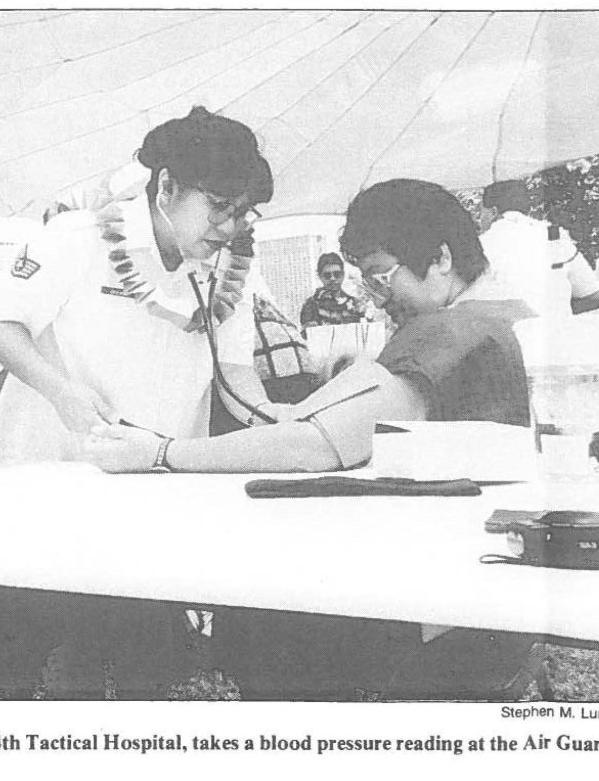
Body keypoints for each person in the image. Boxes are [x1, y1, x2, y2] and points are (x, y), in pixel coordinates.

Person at [84, 179, 538, 699]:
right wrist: (297, 413)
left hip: (437, 613)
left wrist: (163, 452)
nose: (377, 299)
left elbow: (318, 444)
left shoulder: (447, 331)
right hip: (478, 606)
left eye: (381, 279)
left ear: (439, 259)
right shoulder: (488, 320)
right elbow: (338, 412)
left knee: (261, 617)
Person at [0, 105, 292, 469]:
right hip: (53, 467)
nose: (228, 228)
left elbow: (234, 370)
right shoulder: (80, 237)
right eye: (219, 206)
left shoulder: (232, 267)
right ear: (168, 187)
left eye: (241, 213)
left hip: (158, 469)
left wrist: (266, 416)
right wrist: (60, 391)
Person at [479, 179, 599, 318]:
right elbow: (594, 297)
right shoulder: (556, 238)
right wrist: (556, 309)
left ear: (493, 212)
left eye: (481, 212)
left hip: (506, 334)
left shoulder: (480, 246)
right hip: (557, 333)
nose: (480, 219)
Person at [299, 252, 368, 329]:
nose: (332, 279)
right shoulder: (311, 305)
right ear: (320, 276)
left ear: (343, 274)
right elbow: (307, 334)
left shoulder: (356, 304)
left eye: (337, 274)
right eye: (327, 275)